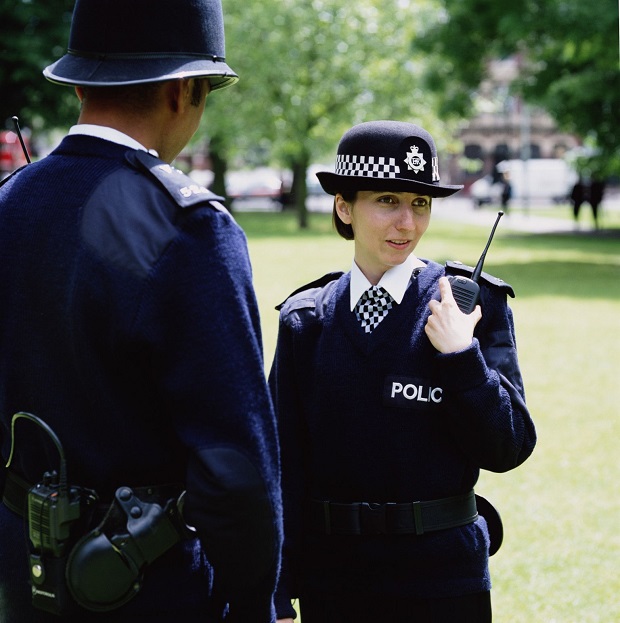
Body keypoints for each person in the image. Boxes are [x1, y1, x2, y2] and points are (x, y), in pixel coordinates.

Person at [0, 1, 281, 621]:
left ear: (78, 82)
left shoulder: (10, 202)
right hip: (147, 588)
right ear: (186, 90)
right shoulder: (188, 227)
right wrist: (256, 601)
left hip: (22, 576)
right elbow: (235, 467)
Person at [269, 121, 536, 623]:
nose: (407, 224)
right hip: (336, 583)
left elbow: (510, 448)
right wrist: (278, 594)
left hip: (444, 581)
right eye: (388, 200)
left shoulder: (471, 306)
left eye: (420, 204)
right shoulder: (306, 320)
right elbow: (282, 466)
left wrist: (462, 360)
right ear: (344, 206)